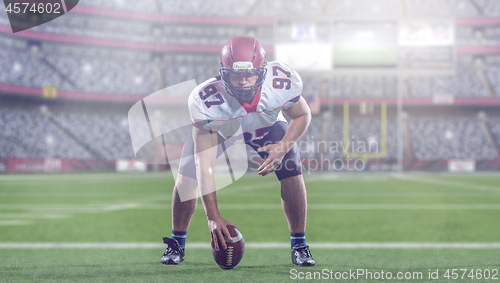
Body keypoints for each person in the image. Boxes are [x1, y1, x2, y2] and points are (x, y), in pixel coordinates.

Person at [161, 36, 315, 267]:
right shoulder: (205, 100)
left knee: (291, 163)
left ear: (262, 71)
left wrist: (282, 148)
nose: (244, 82)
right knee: (188, 174)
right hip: (221, 130)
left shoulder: (280, 82)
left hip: (267, 126)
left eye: (250, 74)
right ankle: (177, 242)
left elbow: (303, 114)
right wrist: (212, 217)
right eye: (236, 75)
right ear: (224, 73)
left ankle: (299, 244)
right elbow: (206, 166)